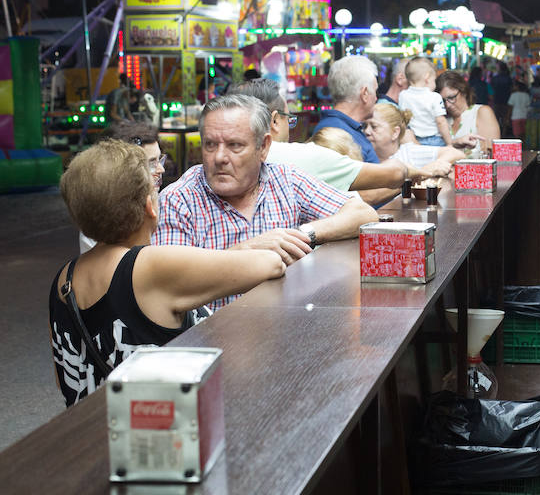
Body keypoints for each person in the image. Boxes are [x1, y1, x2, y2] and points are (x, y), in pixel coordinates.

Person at [51, 140, 285, 407]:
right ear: (150, 206)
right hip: (154, 436)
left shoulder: (63, 279)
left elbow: (63, 376)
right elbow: (270, 264)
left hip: (89, 435)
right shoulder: (149, 265)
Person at [152, 94, 378, 311]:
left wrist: (301, 234)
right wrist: (247, 250)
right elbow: (169, 287)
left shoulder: (286, 180)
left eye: (234, 145)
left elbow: (362, 214)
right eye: (210, 145)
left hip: (286, 326)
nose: (219, 157)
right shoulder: (178, 200)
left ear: (264, 147)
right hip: (211, 337)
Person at [232, 78, 444, 205]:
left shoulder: (216, 164)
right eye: (290, 119)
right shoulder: (299, 156)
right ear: (275, 120)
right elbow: (392, 175)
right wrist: (422, 172)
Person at [79, 120, 167, 253]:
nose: (161, 169)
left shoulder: (168, 204)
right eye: (151, 163)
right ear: (121, 170)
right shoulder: (99, 222)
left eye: (160, 159)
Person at [312, 56, 382, 163]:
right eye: (375, 91)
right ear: (365, 94)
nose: (376, 98)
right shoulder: (336, 135)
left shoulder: (338, 126)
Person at [365, 103, 463, 173]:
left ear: (395, 132)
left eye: (374, 126)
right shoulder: (362, 155)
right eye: (365, 126)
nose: (367, 132)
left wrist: (432, 167)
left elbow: (456, 153)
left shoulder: (408, 153)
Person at [436, 70, 500, 158]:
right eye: (443, 101)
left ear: (464, 92)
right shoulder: (442, 119)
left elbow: (492, 153)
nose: (448, 105)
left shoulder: (482, 112)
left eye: (451, 97)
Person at [398, 57, 453, 146]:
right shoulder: (434, 97)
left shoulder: (403, 96)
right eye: (434, 80)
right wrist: (450, 143)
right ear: (427, 78)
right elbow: (441, 122)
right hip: (435, 140)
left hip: (413, 139)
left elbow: (403, 118)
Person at [489, 61, 513, 135]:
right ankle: (504, 133)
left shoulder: (494, 78)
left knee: (496, 118)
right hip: (506, 100)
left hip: (496, 100)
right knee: (505, 118)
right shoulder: (508, 78)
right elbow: (511, 89)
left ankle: (497, 134)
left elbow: (491, 89)